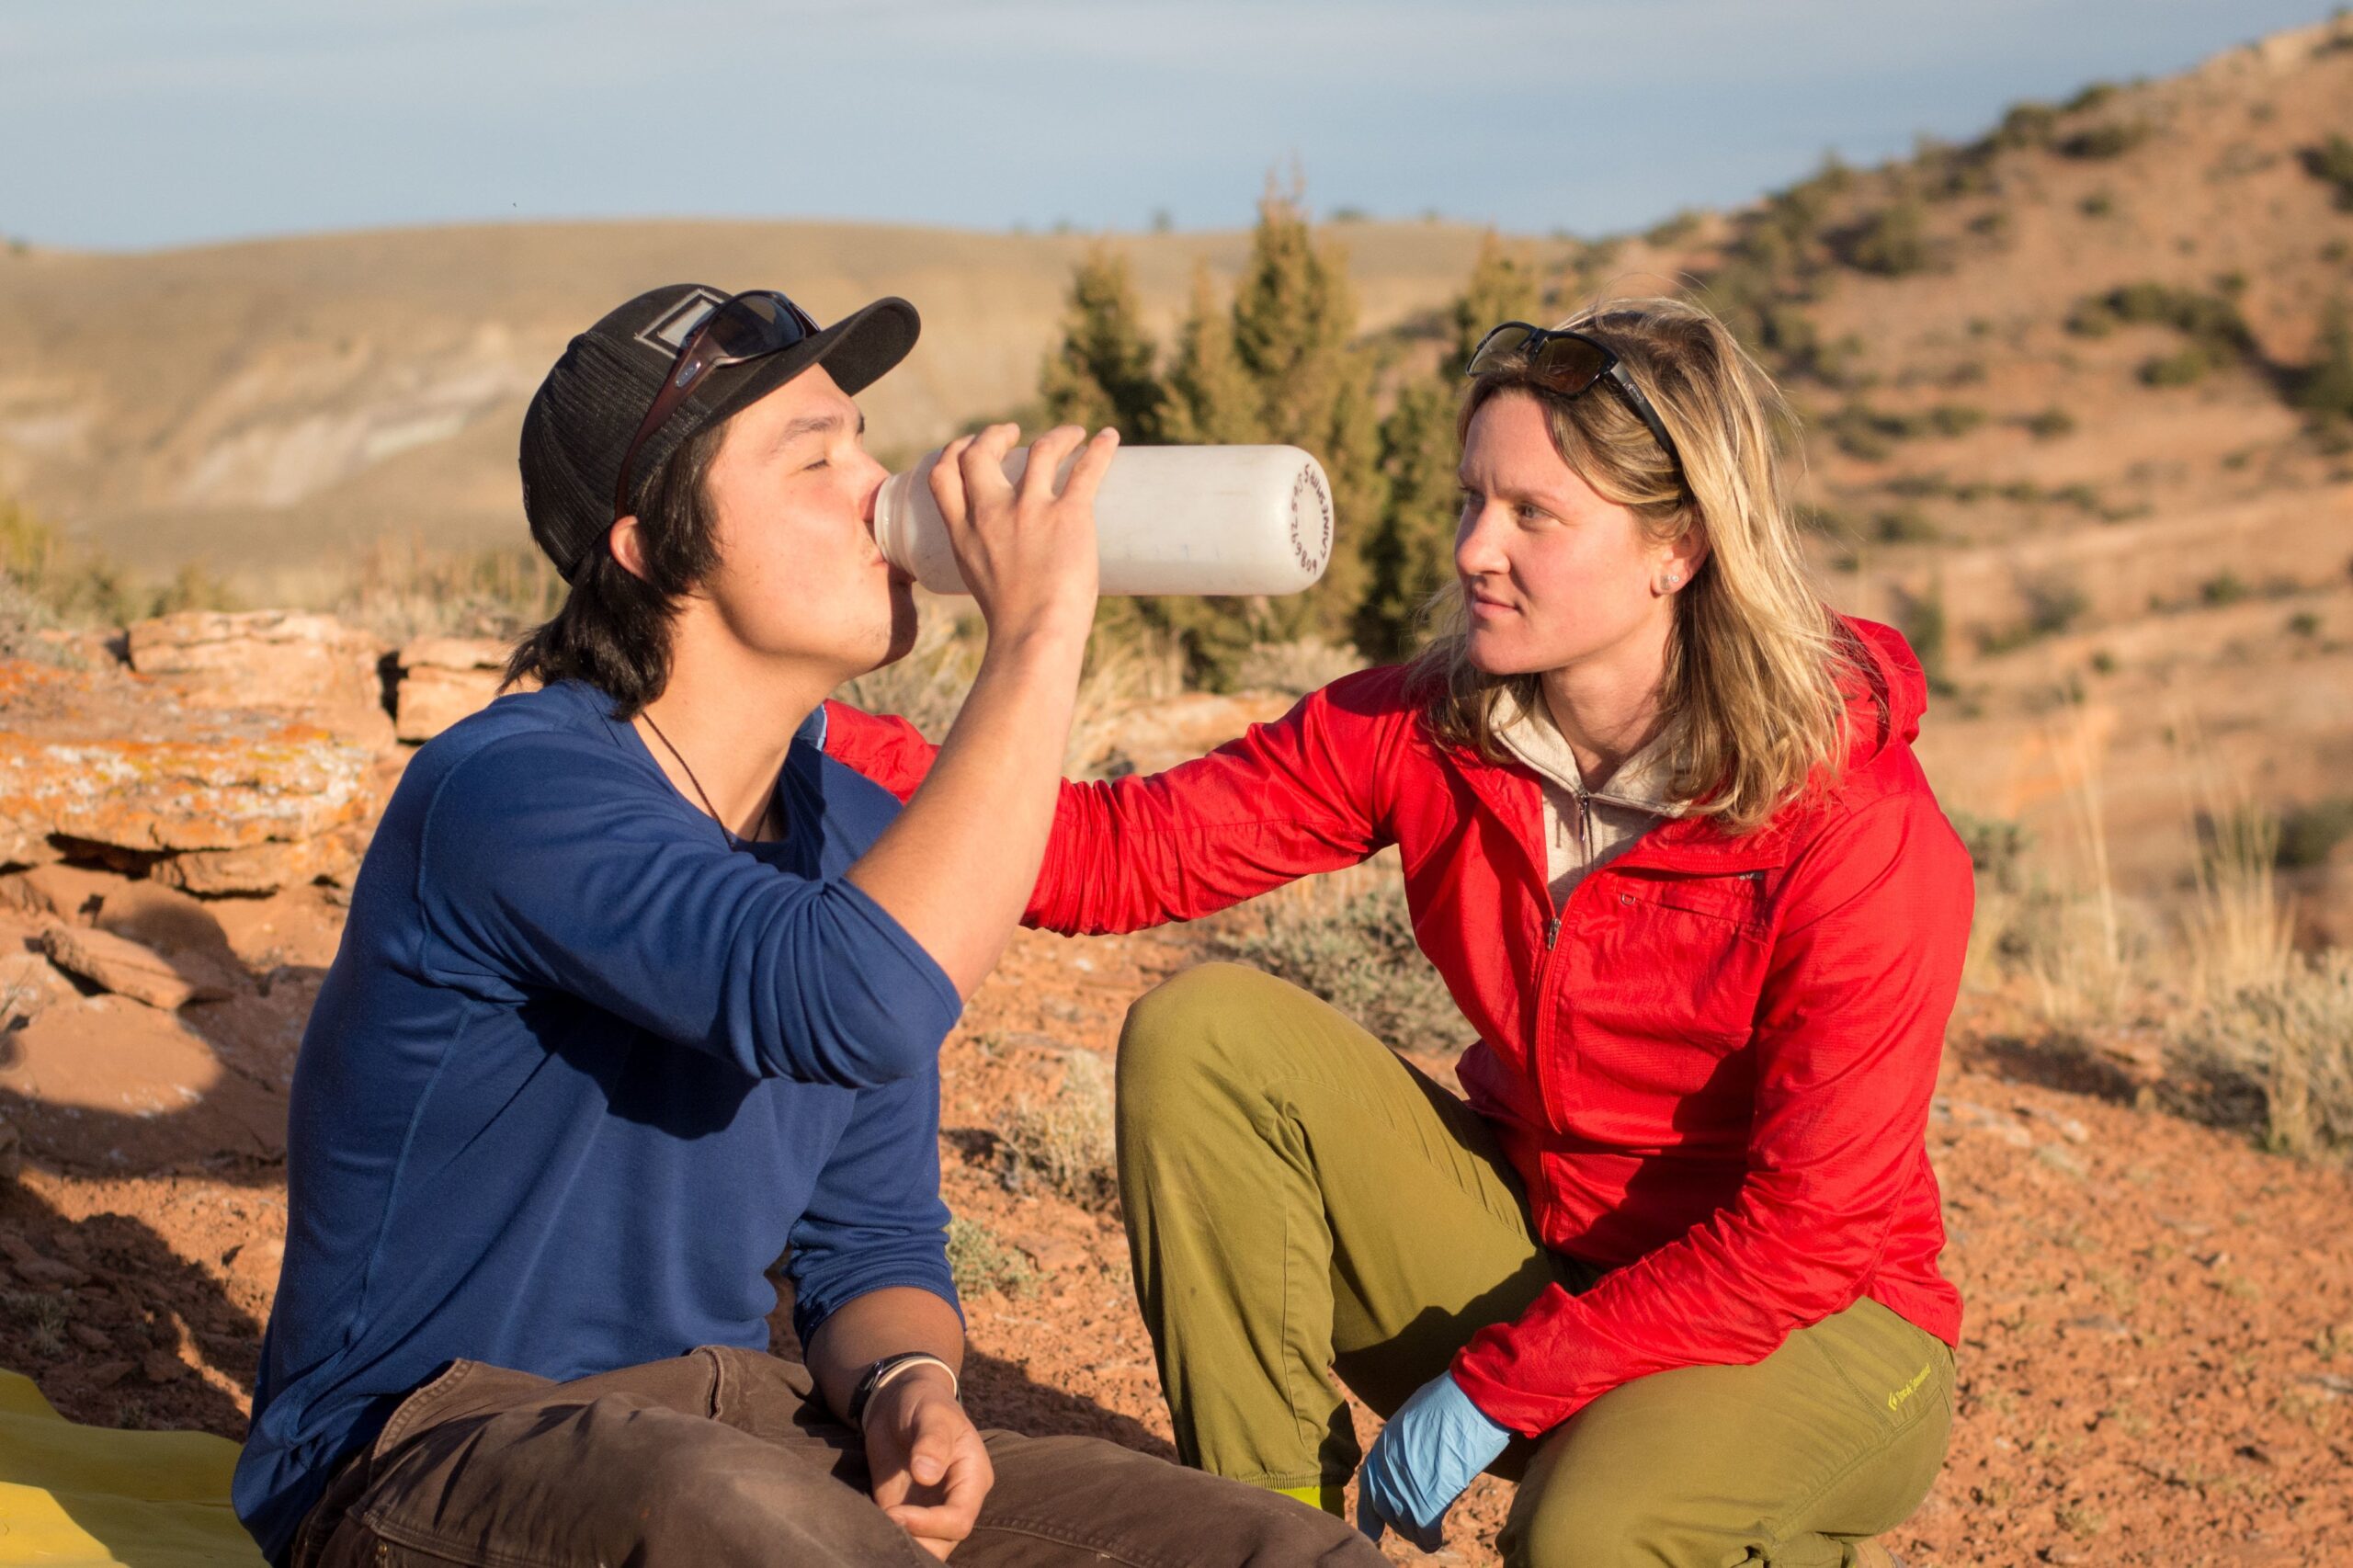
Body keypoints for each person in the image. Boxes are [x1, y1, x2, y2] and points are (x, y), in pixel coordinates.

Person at [231, 282, 1385, 1568]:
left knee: (1263, 1549)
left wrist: (906, 1381)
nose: (878, 489)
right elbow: (840, 992)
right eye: (815, 458)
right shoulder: (511, 790)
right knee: (752, 1527)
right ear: (652, 548)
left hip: (745, 1435)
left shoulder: (856, 829)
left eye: (865, 442)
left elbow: (869, 1233)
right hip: (427, 1448)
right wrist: (1046, 625)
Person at [826, 297, 1973, 1567]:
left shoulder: (1853, 818)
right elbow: (1117, 854)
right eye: (1474, 498)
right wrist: (798, 734)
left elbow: (1804, 1233)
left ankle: (1733, 1513)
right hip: (1555, 1249)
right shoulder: (1437, 729)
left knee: (1592, 1532)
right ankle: (1271, 1542)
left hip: (1819, 1324)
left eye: (1536, 514)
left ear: (1678, 548)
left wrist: (1499, 1385)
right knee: (1206, 1034)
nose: (1479, 548)